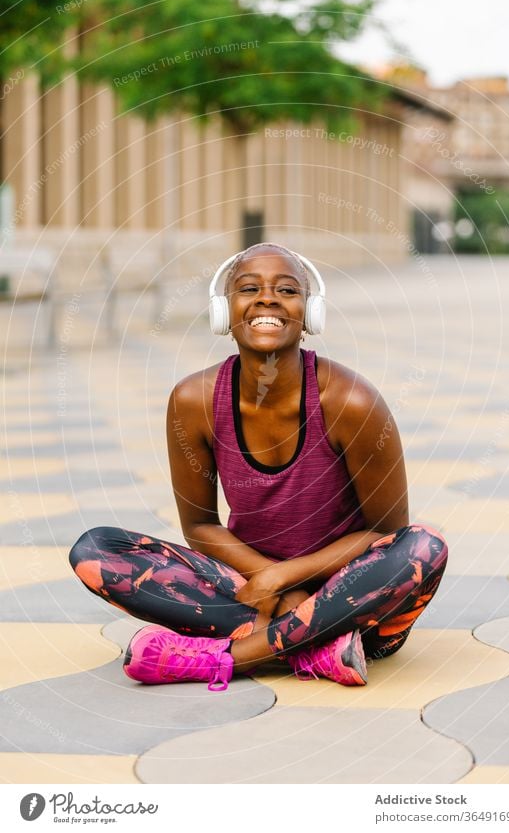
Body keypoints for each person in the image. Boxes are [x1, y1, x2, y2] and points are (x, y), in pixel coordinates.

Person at [69, 242, 448, 692]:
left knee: (424, 548)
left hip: (352, 599)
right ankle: (316, 649)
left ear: (310, 314)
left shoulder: (351, 402)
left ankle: (225, 658)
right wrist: (270, 583)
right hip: (249, 588)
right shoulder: (193, 402)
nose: (267, 298)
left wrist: (285, 576)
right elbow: (201, 527)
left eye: (286, 290)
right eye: (249, 288)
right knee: (95, 550)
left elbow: (386, 534)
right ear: (224, 311)